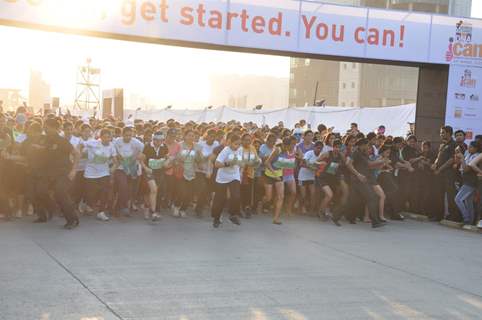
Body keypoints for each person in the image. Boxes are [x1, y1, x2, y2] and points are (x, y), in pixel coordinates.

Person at [346, 138, 386, 228]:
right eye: (367, 145)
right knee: (371, 198)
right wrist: (358, 174)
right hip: (358, 180)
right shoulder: (355, 153)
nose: (368, 146)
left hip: (363, 179)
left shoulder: (364, 154)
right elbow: (348, 163)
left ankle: (343, 216)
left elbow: (369, 165)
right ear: (362, 145)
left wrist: (380, 163)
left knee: (355, 200)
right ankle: (375, 221)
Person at [81, 129, 118, 222]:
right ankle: (86, 204)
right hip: (91, 172)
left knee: (104, 191)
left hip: (104, 173)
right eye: (104, 137)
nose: (107, 139)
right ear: (100, 137)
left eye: (108, 137)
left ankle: (101, 212)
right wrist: (78, 154)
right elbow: (81, 144)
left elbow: (116, 162)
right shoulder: (93, 143)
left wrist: (112, 169)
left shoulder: (111, 147)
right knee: (91, 193)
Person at [211, 134, 243, 228]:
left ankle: (233, 215)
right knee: (220, 199)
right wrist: (227, 164)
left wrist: (241, 168)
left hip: (234, 176)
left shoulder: (240, 150)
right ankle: (216, 218)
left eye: (239, 144)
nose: (237, 146)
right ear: (230, 143)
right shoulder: (225, 150)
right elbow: (217, 164)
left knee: (236, 195)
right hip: (223, 177)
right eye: (236, 144)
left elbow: (241, 162)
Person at [113, 126, 144, 216]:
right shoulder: (117, 141)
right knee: (123, 185)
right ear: (122, 135)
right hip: (120, 168)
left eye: (130, 135)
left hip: (132, 167)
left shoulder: (136, 142)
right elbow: (113, 151)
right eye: (126, 135)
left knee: (130, 189)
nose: (128, 137)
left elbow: (142, 151)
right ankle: (124, 207)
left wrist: (136, 157)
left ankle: (119, 207)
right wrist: (118, 156)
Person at [432, 125, 459, 222]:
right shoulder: (442, 144)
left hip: (448, 174)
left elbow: (451, 160)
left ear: (448, 133)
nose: (441, 134)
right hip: (439, 174)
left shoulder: (454, 144)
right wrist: (435, 164)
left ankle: (453, 216)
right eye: (440, 133)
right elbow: (438, 157)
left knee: (450, 195)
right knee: (438, 194)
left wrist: (440, 169)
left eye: (442, 132)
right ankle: (438, 215)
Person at [140, 131, 168, 221]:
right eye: (156, 140)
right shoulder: (147, 147)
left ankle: (146, 207)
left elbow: (167, 157)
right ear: (153, 139)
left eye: (161, 140)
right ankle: (153, 212)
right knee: (154, 189)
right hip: (149, 172)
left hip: (159, 172)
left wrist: (168, 161)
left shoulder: (164, 147)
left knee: (152, 192)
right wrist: (145, 168)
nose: (159, 142)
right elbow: (141, 160)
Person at [454, 141, 479, 226]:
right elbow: (458, 164)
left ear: (476, 148)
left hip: (471, 181)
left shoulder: (477, 156)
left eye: (471, 147)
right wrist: (458, 155)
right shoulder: (468, 154)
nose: (469, 148)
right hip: (465, 180)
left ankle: (466, 218)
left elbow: (465, 169)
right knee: (468, 202)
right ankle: (470, 222)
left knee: (458, 199)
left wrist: (462, 158)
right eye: (469, 146)